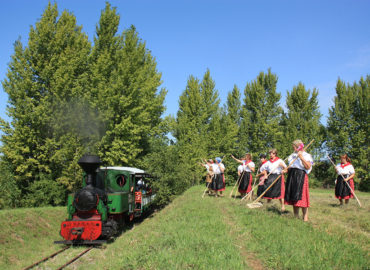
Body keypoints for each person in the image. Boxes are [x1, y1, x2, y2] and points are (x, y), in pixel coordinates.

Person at [284, 139, 313, 222]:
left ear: (299, 147)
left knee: (302, 196)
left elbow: (307, 167)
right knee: (294, 196)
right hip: (292, 175)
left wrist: (301, 158)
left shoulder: (307, 155)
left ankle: (305, 217)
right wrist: (286, 170)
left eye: (294, 147)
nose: (293, 149)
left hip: (301, 176)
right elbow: (290, 167)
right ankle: (296, 216)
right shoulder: (292, 155)